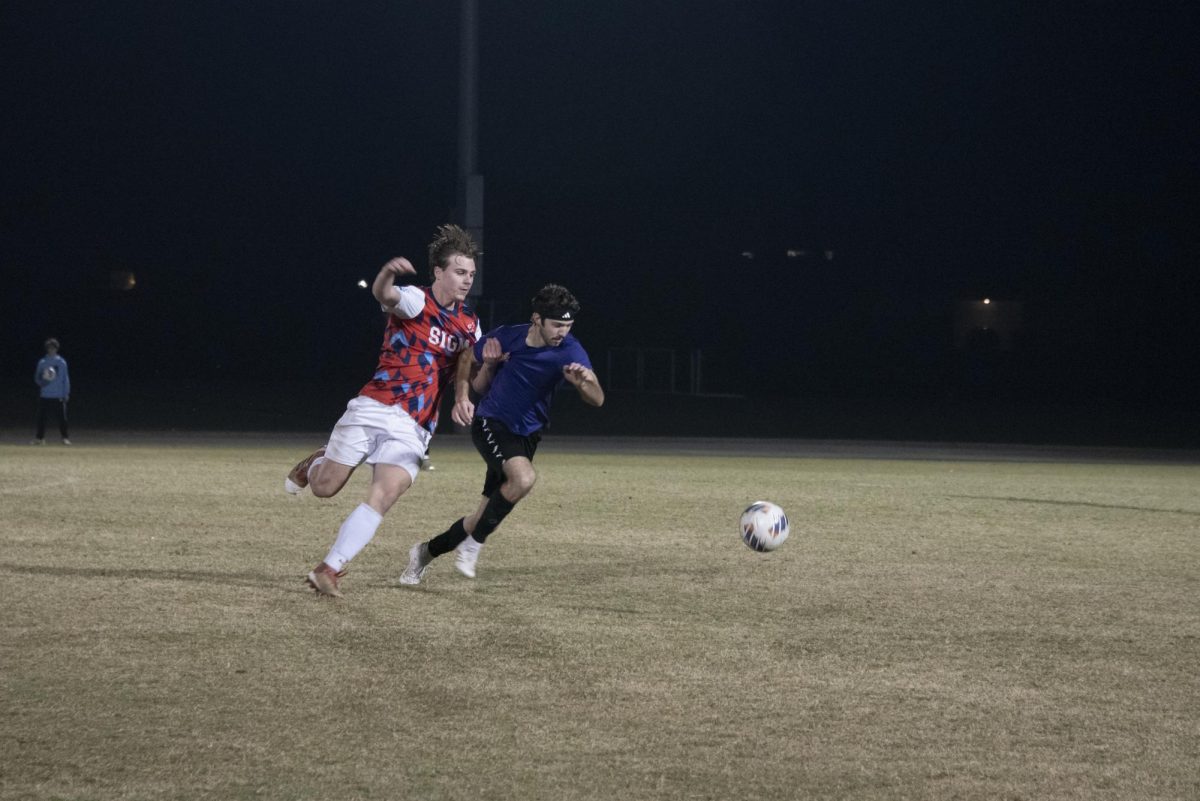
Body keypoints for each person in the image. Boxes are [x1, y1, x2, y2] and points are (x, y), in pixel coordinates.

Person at [285, 224, 482, 598]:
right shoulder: (415, 301)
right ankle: (314, 465)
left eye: (471, 274)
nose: (467, 280)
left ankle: (329, 568)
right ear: (438, 272)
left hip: (415, 425)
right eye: (460, 272)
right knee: (325, 488)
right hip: (374, 406)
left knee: (385, 494)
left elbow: (464, 360)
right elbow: (385, 294)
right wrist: (388, 273)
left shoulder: (469, 323)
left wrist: (460, 396)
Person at [399, 284, 604, 585]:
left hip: (528, 435)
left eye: (569, 325)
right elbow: (468, 356)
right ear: (537, 319)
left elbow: (597, 399)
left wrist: (583, 383)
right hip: (491, 423)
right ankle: (474, 545)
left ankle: (425, 553)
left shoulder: (570, 350)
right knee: (524, 479)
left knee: (478, 518)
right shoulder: (507, 336)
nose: (563, 331)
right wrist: (468, 390)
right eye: (557, 325)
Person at [33, 338, 71, 445]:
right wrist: (42, 382)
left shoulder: (61, 362)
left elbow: (65, 378)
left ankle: (65, 438)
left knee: (62, 418)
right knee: (41, 418)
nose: (51, 350)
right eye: (49, 348)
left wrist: (66, 393)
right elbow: (37, 377)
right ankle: (40, 438)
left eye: (53, 348)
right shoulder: (42, 362)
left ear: (56, 349)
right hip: (45, 394)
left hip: (58, 394)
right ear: (47, 349)